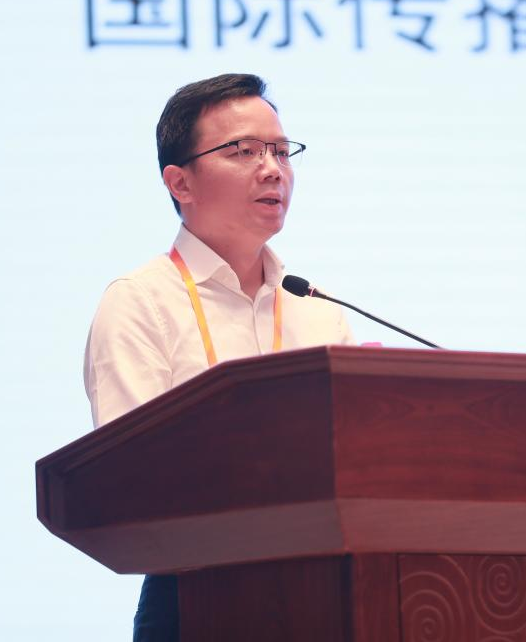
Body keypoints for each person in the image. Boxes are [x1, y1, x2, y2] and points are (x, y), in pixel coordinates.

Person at [82, 73, 353, 641]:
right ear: (180, 182)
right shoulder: (141, 303)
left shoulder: (316, 307)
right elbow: (132, 479)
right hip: (194, 597)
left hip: (326, 595)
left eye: (281, 151)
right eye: (244, 151)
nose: (273, 169)